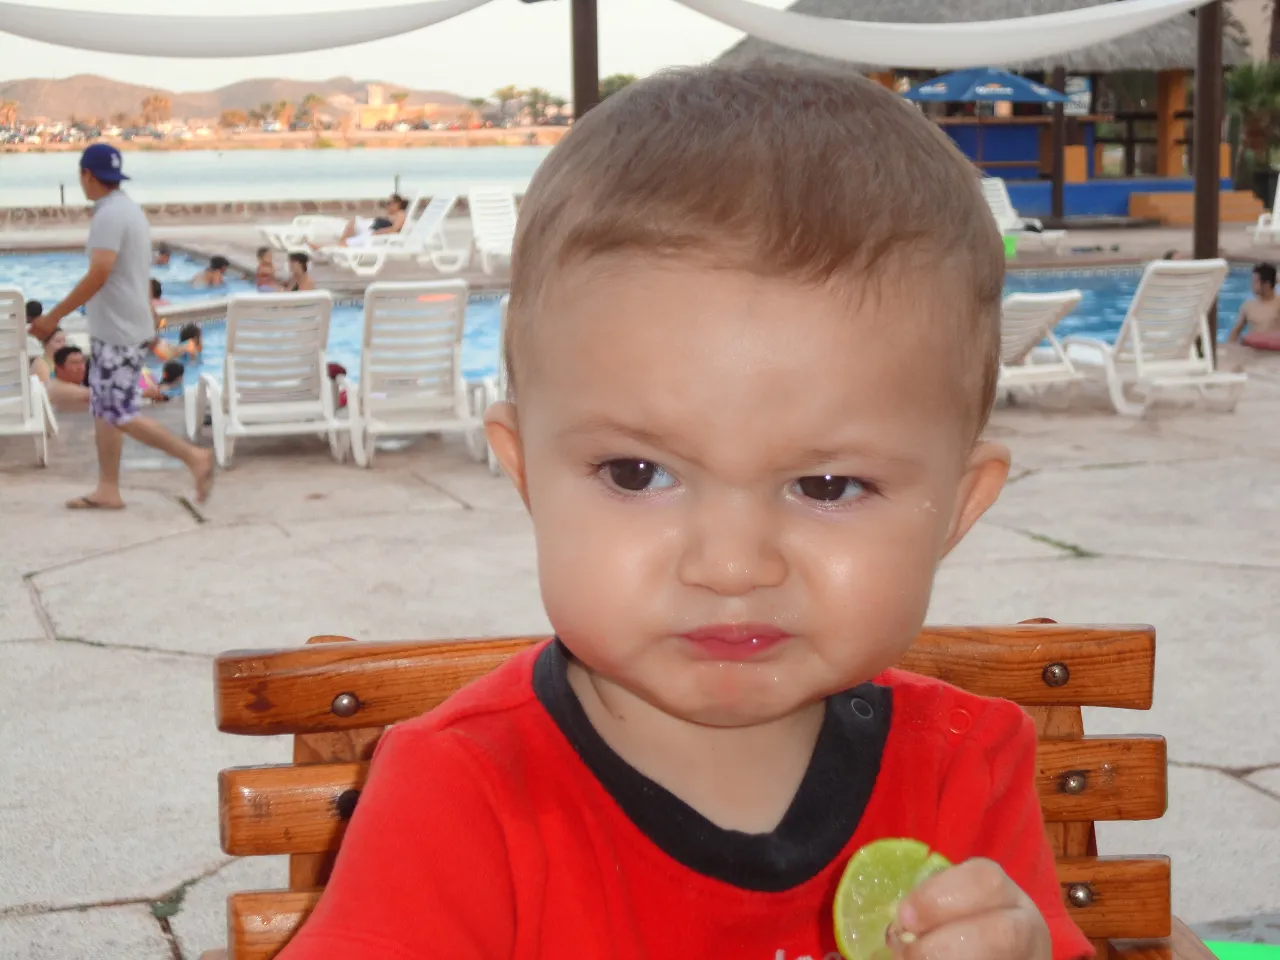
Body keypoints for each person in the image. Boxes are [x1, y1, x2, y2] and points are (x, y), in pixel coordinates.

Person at [276, 66, 1090, 960]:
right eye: (636, 472)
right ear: (526, 476)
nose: (731, 565)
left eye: (826, 487)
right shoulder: (457, 795)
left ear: (957, 509)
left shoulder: (964, 770)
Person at [27, 143, 213, 510]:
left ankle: (194, 458)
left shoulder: (109, 216)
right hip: (127, 326)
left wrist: (54, 317)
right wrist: (149, 320)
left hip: (118, 331)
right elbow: (139, 274)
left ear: (87, 176)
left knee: (116, 411)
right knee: (104, 406)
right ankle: (108, 488)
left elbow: (99, 272)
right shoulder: (129, 211)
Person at [1228, 262, 1280, 346]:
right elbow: (1235, 333)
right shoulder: (1248, 306)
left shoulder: (1278, 304)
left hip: (1274, 355)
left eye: (1255, 282)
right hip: (1252, 353)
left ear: (1267, 284)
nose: (1252, 285)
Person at [334, 194, 408, 247]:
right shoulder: (393, 214)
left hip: (373, 233)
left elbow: (394, 229)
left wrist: (377, 233)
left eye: (389, 203)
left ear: (398, 204)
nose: (387, 206)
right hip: (371, 231)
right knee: (352, 227)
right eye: (387, 203)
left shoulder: (400, 214)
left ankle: (337, 245)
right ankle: (338, 244)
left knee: (347, 241)